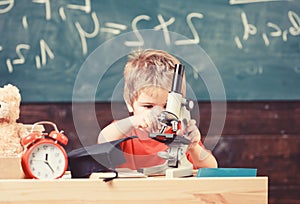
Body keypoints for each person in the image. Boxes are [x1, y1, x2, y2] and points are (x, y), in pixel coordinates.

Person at [98, 49, 218, 170]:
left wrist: (194, 147)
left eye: (166, 106)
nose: (159, 113)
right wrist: (135, 120)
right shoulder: (124, 131)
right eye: (148, 106)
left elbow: (212, 167)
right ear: (129, 103)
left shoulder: (180, 133)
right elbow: (103, 140)